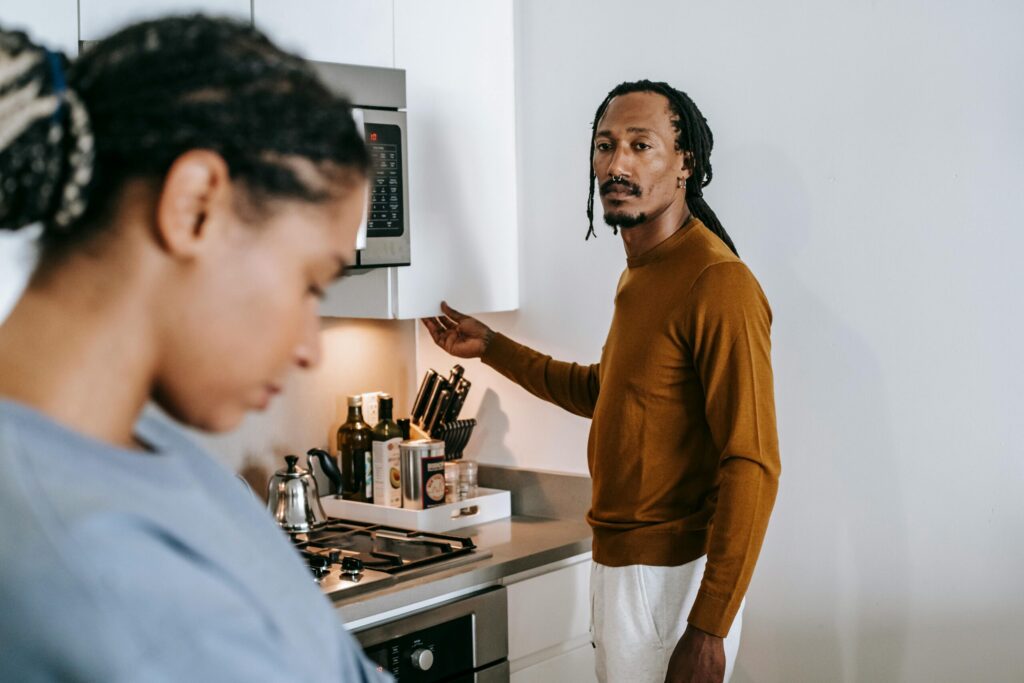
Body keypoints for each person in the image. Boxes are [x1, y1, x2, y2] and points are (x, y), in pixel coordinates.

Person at [0, 16, 390, 681]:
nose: (308, 347)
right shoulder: (90, 572)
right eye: (310, 282)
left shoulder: (165, 453)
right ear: (194, 205)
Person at [423, 80, 781, 683]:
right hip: (624, 570)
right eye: (605, 145)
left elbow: (752, 462)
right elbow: (607, 393)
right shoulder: (643, 275)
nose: (617, 164)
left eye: (642, 145)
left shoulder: (718, 282)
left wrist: (709, 629)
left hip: (669, 583)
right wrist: (493, 348)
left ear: (685, 162)